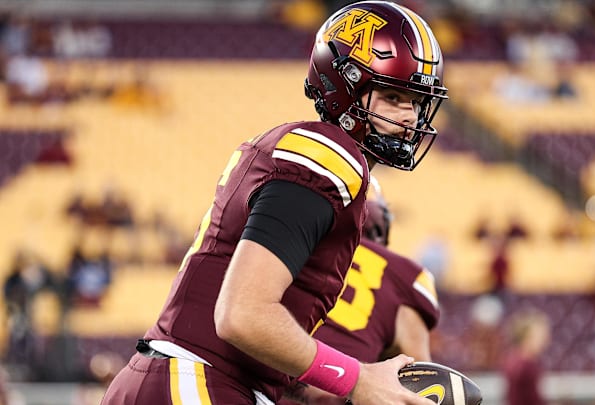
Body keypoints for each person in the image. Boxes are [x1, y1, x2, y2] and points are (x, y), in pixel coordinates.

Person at [100, 2, 448, 405]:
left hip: (190, 376)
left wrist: (332, 388)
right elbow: (242, 315)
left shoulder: (314, 157)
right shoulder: (330, 155)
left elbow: (256, 333)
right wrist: (358, 379)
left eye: (416, 101)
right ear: (346, 85)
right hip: (195, 378)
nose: (409, 116)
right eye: (392, 96)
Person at [280, 177, 440, 404]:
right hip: (343, 392)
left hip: (271, 382)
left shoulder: (294, 242)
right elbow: (422, 381)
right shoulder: (406, 276)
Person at [502, 309, 550, 405]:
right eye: (540, 336)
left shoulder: (515, 361)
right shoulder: (525, 366)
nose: (545, 340)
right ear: (527, 337)